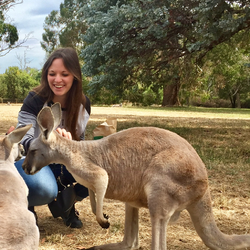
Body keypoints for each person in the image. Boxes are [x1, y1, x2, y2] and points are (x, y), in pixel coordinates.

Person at [13, 47, 91, 228]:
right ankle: (27, 205)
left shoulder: (83, 103)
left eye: (65, 74)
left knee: (98, 171)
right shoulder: (35, 99)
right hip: (34, 159)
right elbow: (22, 138)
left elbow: (81, 139)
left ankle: (65, 203)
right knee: (45, 189)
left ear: (75, 76)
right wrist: (49, 141)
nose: (57, 80)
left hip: (63, 163)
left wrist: (70, 144)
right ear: (46, 75)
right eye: (52, 74)